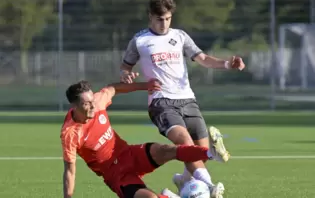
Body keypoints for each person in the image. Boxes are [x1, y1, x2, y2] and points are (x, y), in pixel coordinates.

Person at [119, 0, 246, 197]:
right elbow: (125, 67)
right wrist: (126, 76)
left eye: (168, 18)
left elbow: (203, 58)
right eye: (160, 19)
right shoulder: (140, 40)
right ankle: (211, 186)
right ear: (150, 16)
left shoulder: (180, 36)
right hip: (161, 102)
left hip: (187, 99)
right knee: (184, 142)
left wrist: (226, 64)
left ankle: (181, 182)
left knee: (200, 151)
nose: (164, 23)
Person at [61, 79, 223, 198]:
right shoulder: (70, 133)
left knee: (166, 150)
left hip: (128, 154)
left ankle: (211, 154)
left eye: (92, 100)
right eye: (87, 104)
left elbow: (113, 88)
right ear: (74, 106)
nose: (93, 106)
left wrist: (144, 86)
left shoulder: (97, 102)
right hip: (117, 175)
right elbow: (69, 171)